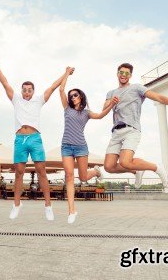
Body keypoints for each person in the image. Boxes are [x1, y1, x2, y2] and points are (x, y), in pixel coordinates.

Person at [103, 63, 168, 193]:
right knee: (108, 167)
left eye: (126, 73)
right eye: (121, 72)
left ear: (130, 75)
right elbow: (104, 110)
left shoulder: (137, 88)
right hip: (116, 132)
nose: (123, 75)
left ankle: (157, 168)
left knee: (125, 162)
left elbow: (158, 97)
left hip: (131, 129)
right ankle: (136, 170)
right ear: (117, 73)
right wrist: (111, 102)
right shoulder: (111, 93)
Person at [0, 60, 68, 221]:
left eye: (29, 90)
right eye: (24, 90)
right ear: (21, 91)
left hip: (35, 139)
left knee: (41, 171)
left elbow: (54, 86)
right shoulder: (16, 99)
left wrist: (66, 73)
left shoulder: (39, 100)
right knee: (19, 173)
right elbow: (4, 82)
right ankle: (16, 205)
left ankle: (48, 206)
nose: (27, 92)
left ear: (33, 92)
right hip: (20, 139)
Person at [59, 66, 118, 223]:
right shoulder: (66, 109)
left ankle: (96, 171)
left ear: (81, 96)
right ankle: (72, 211)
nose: (72, 97)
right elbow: (61, 89)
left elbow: (99, 115)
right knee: (69, 176)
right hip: (66, 147)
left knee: (83, 177)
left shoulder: (86, 112)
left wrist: (111, 104)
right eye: (71, 96)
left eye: (75, 95)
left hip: (81, 147)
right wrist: (66, 73)